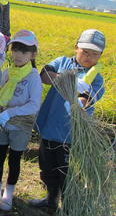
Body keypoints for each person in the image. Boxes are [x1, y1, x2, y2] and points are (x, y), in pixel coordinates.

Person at [29, 29, 106, 211]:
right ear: (75, 48)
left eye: (94, 54)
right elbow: (44, 75)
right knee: (47, 167)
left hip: (69, 134)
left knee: (65, 171)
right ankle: (51, 200)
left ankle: (71, 205)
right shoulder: (62, 62)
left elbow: (86, 100)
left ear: (100, 56)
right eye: (85, 51)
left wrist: (80, 100)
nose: (89, 57)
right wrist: (68, 79)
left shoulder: (96, 77)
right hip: (48, 127)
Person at [0, 30, 42, 210]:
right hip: (2, 121)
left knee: (15, 159)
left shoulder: (33, 77)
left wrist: (10, 113)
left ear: (33, 54)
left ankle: (8, 194)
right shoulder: (8, 73)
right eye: (15, 50)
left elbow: (34, 105)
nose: (18, 55)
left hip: (20, 124)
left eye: (24, 51)